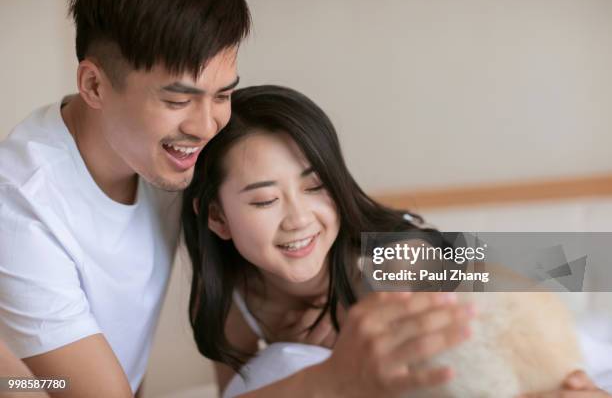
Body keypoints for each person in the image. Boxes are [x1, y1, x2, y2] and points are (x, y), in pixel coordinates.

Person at [182, 85, 611, 397]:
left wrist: (566, 378)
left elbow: (512, 301)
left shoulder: (392, 258)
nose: (298, 219)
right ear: (218, 217)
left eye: (315, 188)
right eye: (265, 200)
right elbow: (240, 391)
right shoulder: (227, 297)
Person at [0, 0, 249, 396]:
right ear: (94, 85)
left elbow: (349, 222)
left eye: (223, 95)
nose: (206, 126)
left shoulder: (179, 150)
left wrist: (389, 287)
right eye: (177, 99)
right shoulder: (20, 203)